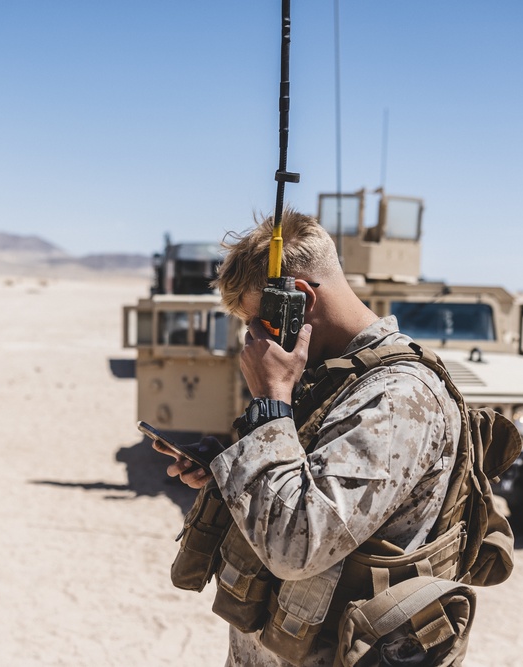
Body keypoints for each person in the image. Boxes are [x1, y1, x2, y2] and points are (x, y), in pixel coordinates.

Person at [156, 209, 464, 666]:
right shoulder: (327, 378)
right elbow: (300, 479)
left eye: (259, 323)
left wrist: (272, 400)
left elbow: (296, 547)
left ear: (298, 298)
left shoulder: (398, 398)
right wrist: (229, 463)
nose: (254, 340)